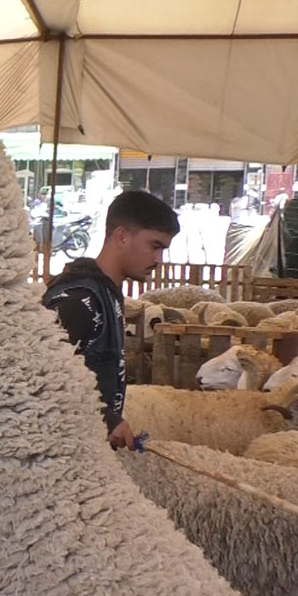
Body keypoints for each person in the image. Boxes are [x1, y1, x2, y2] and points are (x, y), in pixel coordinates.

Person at [42, 191, 180, 450]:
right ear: (122, 236)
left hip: (83, 452)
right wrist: (106, 419)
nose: (159, 260)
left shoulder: (106, 296)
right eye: (155, 246)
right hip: (56, 457)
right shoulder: (78, 301)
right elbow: (39, 375)